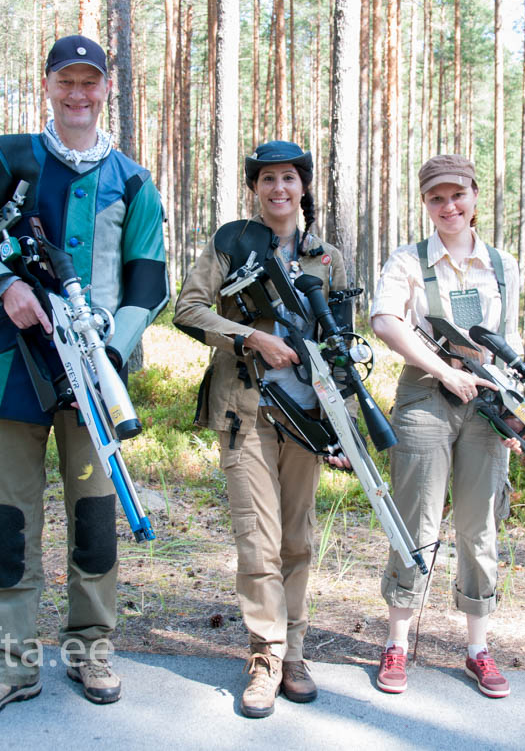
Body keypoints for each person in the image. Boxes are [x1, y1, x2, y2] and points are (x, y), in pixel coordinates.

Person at [0, 34, 168, 721]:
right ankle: (10, 664)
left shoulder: (133, 181)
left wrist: (109, 351)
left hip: (96, 382)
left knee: (95, 520)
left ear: (106, 88)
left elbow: (151, 283)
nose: (78, 93)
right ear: (48, 85)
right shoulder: (9, 158)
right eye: (67, 81)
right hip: (17, 370)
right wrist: (3, 285)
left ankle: (91, 650)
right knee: (7, 520)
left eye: (90, 81)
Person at [173, 141, 350, 718]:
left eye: (289, 178)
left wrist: (344, 425)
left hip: (307, 416)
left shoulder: (328, 257)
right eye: (268, 179)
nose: (279, 189)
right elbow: (188, 309)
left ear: (304, 187)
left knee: (298, 538)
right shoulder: (231, 242)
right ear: (255, 187)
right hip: (244, 412)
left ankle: (294, 652)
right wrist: (251, 337)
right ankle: (265, 655)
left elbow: (341, 345)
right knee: (258, 538)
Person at [368, 153, 524, 699]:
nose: (448, 206)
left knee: (480, 526)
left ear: (475, 196)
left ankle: (478, 649)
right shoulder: (408, 260)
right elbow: (386, 321)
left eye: (457, 194)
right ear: (425, 204)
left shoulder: (502, 264)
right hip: (425, 395)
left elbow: (510, 340)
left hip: (486, 399)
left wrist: (516, 410)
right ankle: (397, 643)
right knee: (415, 523)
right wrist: (443, 371)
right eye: (436, 198)